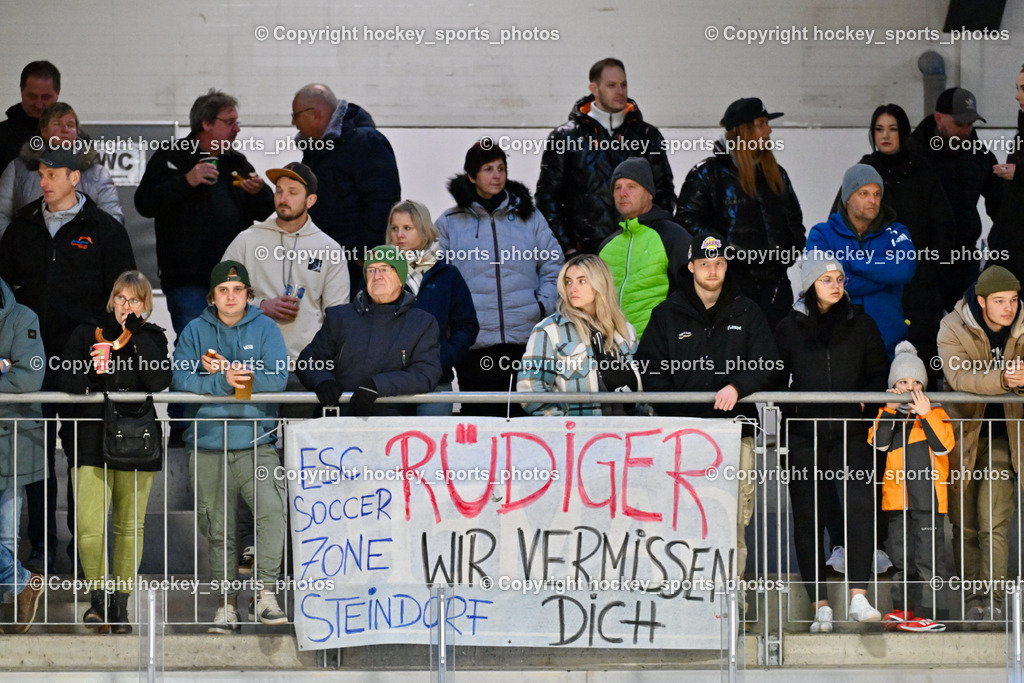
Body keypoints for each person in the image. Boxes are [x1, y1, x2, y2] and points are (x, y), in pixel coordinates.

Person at [0, 146, 136, 573]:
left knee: (84, 461)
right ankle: (41, 549)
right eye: (41, 173)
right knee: (36, 460)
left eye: (53, 174)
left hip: (83, 363)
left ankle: (85, 551)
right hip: (29, 365)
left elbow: (124, 298)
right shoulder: (21, 226)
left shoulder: (105, 230)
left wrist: (103, 345)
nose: (44, 181)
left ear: (75, 178)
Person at [635, 232, 779, 585]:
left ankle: (733, 606)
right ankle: (686, 602)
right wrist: (676, 416)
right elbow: (650, 370)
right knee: (680, 517)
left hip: (735, 434)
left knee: (732, 520)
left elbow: (770, 363)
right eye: (704, 264)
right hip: (682, 439)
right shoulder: (667, 314)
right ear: (691, 266)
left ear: (726, 266)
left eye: (718, 264)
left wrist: (737, 386)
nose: (712, 270)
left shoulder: (747, 311)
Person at [773, 251, 890, 633]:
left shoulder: (862, 323)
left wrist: (863, 403)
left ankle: (859, 596)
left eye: (839, 278)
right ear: (809, 285)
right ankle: (819, 603)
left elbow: (878, 375)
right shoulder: (789, 327)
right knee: (808, 517)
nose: (836, 285)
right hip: (804, 435)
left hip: (852, 434)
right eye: (827, 280)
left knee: (860, 509)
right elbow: (774, 378)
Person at [170, 261, 288, 634]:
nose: (231, 296)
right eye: (223, 290)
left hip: (256, 441)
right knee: (219, 530)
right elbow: (179, 378)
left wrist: (241, 380)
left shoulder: (266, 327)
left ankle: (265, 594)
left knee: (272, 515)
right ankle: (225, 605)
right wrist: (221, 381)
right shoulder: (194, 329)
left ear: (249, 295)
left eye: (238, 290)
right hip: (207, 445)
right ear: (212, 296)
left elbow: (279, 378)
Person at [56, 271, 171, 634]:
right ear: (111, 300)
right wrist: (93, 369)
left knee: (128, 527)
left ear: (146, 306)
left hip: (136, 442)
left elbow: (158, 379)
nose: (126, 306)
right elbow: (64, 380)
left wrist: (135, 336)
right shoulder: (86, 333)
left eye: (135, 300)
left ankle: (120, 606)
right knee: (89, 526)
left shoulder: (151, 337)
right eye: (121, 298)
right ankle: (98, 600)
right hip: (89, 439)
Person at [435, 141, 562, 417]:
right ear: (471, 176)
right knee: (482, 423)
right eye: (488, 169)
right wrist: (455, 322)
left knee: (526, 420)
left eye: (501, 168)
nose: (497, 175)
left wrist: (542, 307)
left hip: (525, 339)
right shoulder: (449, 222)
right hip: (474, 343)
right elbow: (438, 276)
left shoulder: (530, 217)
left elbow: (553, 265)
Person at [135, 89, 274, 340]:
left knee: (231, 344)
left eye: (237, 122)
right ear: (206, 123)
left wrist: (260, 192)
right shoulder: (172, 156)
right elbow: (145, 204)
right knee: (195, 343)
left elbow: (265, 212)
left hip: (232, 276)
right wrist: (187, 181)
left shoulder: (236, 162)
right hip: (186, 278)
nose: (237, 129)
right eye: (229, 122)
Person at [833, 104, 955, 387]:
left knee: (919, 359)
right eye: (878, 129)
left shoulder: (924, 173)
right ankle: (874, 428)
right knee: (872, 360)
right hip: (869, 289)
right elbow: (838, 225)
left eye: (892, 129)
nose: (885, 136)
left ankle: (922, 427)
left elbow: (944, 227)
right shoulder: (861, 173)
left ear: (903, 131)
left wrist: (928, 268)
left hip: (918, 287)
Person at [222, 161, 350, 408]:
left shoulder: (330, 249)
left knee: (300, 444)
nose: (283, 197)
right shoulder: (246, 240)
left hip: (305, 368)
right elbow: (219, 297)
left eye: (292, 192)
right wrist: (261, 306)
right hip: (252, 365)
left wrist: (321, 365)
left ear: (310, 200)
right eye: (279, 190)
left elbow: (337, 317)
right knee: (255, 444)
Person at [936, 265, 1024, 623]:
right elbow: (960, 379)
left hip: (1006, 437)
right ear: (982, 301)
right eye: (1000, 301)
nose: (1009, 308)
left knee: (994, 521)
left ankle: (996, 599)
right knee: (965, 525)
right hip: (963, 438)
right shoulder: (952, 326)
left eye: (1015, 300)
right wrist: (1005, 378)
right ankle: (974, 599)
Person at [675, 97, 805, 328]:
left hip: (777, 287)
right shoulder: (708, 174)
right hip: (732, 286)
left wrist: (788, 252)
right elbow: (685, 220)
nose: (769, 129)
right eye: (761, 123)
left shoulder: (777, 174)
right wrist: (725, 250)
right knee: (735, 357)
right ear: (741, 131)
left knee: (776, 357)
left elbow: (794, 221)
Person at [536, 58, 675, 255]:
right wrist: (568, 247)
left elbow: (664, 192)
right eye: (611, 85)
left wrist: (654, 238)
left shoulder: (647, 136)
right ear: (594, 88)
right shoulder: (565, 138)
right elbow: (547, 198)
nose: (620, 91)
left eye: (623, 84)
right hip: (586, 255)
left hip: (639, 251)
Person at [869, 341, 954, 632]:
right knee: (901, 557)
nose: (909, 387)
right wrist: (890, 410)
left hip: (928, 500)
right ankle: (903, 609)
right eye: (903, 382)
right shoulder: (887, 414)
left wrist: (926, 413)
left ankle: (931, 611)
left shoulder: (937, 413)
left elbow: (943, 447)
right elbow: (879, 444)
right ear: (893, 384)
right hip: (896, 500)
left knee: (929, 558)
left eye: (916, 382)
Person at [297, 246, 441, 416]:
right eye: (371, 270)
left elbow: (425, 373)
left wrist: (379, 385)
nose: (376, 276)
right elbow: (308, 361)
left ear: (401, 279)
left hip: (392, 424)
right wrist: (322, 380)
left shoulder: (421, 323)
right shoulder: (340, 317)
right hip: (337, 420)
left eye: (384, 269)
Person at [292, 84, 400, 288]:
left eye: (295, 115)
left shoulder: (366, 142)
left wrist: (367, 251)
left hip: (354, 265)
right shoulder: (316, 149)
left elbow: (383, 201)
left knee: (347, 316)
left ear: (315, 114)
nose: (293, 122)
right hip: (320, 258)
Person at [806, 164, 916, 358]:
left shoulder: (896, 231)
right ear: (848, 197)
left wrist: (852, 264)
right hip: (836, 343)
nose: (872, 200)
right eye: (864, 193)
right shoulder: (821, 233)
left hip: (888, 344)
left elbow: (905, 268)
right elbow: (824, 281)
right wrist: (883, 279)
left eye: (876, 194)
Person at [911, 87, 1002, 312]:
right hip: (922, 261)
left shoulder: (980, 156)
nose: (967, 130)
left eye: (971, 124)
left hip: (964, 261)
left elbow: (1001, 206)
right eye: (960, 124)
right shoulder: (913, 156)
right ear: (939, 119)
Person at [517, 254, 641, 416]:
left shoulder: (624, 329)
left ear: (600, 284)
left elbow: (644, 385)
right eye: (568, 282)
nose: (572, 288)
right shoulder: (548, 330)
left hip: (631, 432)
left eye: (581, 281)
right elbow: (530, 387)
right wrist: (564, 426)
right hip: (579, 436)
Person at [386, 200, 478, 415]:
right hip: (387, 382)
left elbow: (467, 325)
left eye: (407, 228)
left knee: (432, 447)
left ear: (425, 230)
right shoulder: (379, 272)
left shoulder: (447, 274)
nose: (399, 235)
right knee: (390, 448)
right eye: (394, 228)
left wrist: (445, 356)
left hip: (436, 381)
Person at [598, 157, 690, 337]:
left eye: (631, 186)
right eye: (617, 187)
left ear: (649, 193)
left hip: (660, 351)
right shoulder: (606, 246)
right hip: (614, 351)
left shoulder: (674, 237)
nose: (623, 193)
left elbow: (694, 295)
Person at [0, 276, 46, 634]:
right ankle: (22, 581)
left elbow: (27, 378)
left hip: (12, 441)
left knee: (6, 535)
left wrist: (11, 368)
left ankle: (14, 596)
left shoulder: (22, 317)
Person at [1, 101, 123, 233]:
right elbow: (1, 214)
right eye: (57, 124)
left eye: (70, 125)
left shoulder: (97, 173)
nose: (65, 130)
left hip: (82, 250)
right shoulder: (17, 168)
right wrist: (15, 247)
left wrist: (89, 249)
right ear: (43, 130)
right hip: (28, 251)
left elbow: (113, 220)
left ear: (77, 132)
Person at [987, 66, 1024, 283]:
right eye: (1017, 88)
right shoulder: (1020, 135)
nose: (1017, 95)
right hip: (1010, 249)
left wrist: (1019, 173)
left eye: (1023, 88)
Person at [0, 61, 59, 171]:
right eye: (32, 96)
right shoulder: (2, 137)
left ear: (57, 93)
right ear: (21, 91)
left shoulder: (74, 139)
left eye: (45, 97)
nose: (38, 104)